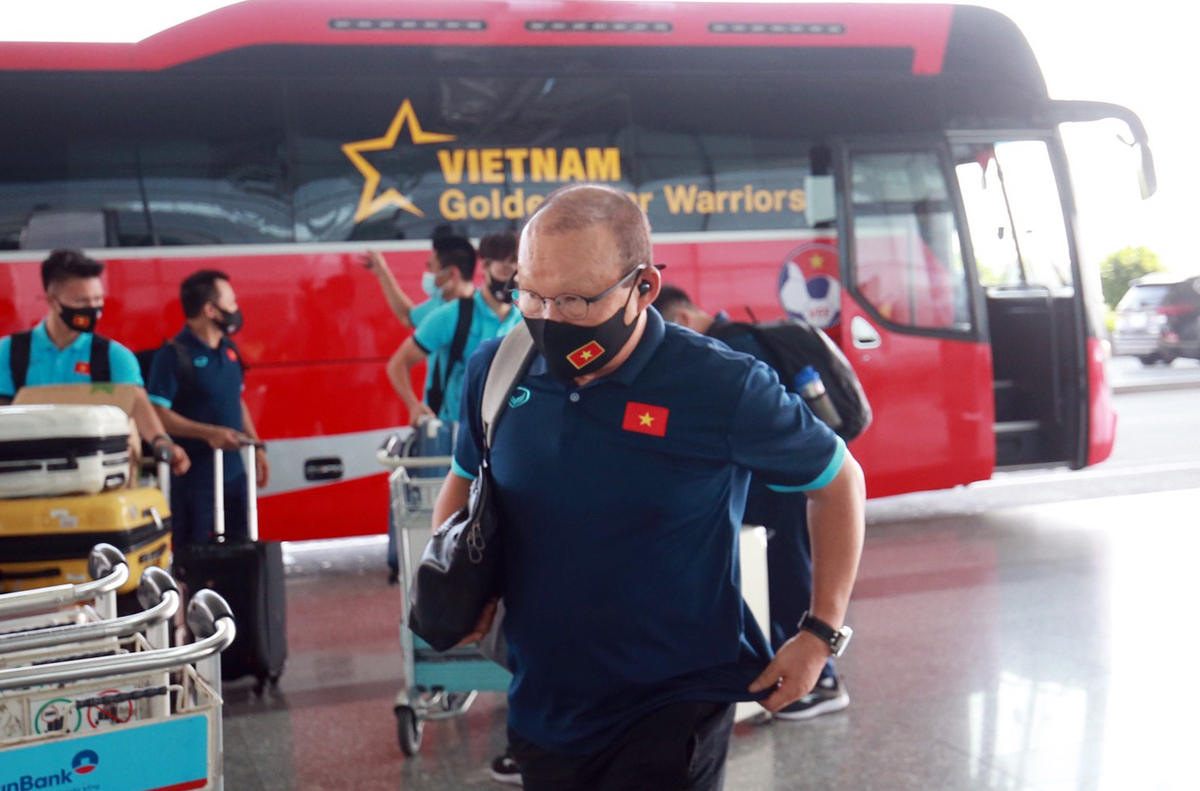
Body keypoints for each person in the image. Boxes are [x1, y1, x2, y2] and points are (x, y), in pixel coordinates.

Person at [437, 184, 866, 791]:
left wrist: (820, 632)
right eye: (530, 295)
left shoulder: (721, 386)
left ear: (642, 288)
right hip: (542, 698)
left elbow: (839, 480)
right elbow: (463, 481)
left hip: (674, 703)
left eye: (577, 301)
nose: (549, 319)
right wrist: (456, 586)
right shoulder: (496, 368)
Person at [654, 285, 849, 720]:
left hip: (781, 488)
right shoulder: (738, 337)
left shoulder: (730, 351)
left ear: (682, 319)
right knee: (780, 574)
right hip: (777, 485)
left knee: (790, 575)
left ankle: (824, 680)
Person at [0, 248, 190, 476]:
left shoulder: (114, 356)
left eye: (98, 300)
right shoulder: (10, 352)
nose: (93, 309)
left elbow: (136, 402)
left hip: (94, 477)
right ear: (52, 301)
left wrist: (162, 442)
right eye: (82, 301)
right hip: (27, 475)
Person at [145, 270, 269, 547]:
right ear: (210, 309)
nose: (236, 309)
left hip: (235, 474)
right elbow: (157, 413)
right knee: (194, 557)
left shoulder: (230, 350)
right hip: (194, 479)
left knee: (242, 554)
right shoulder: (173, 355)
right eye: (231, 302)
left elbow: (236, 400)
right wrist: (209, 433)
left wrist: (257, 447)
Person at [386, 234, 522, 426]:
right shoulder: (453, 315)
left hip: (500, 431)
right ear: (485, 267)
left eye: (518, 270)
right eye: (505, 268)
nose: (512, 277)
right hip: (452, 432)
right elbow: (398, 363)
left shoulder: (524, 321)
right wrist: (413, 405)